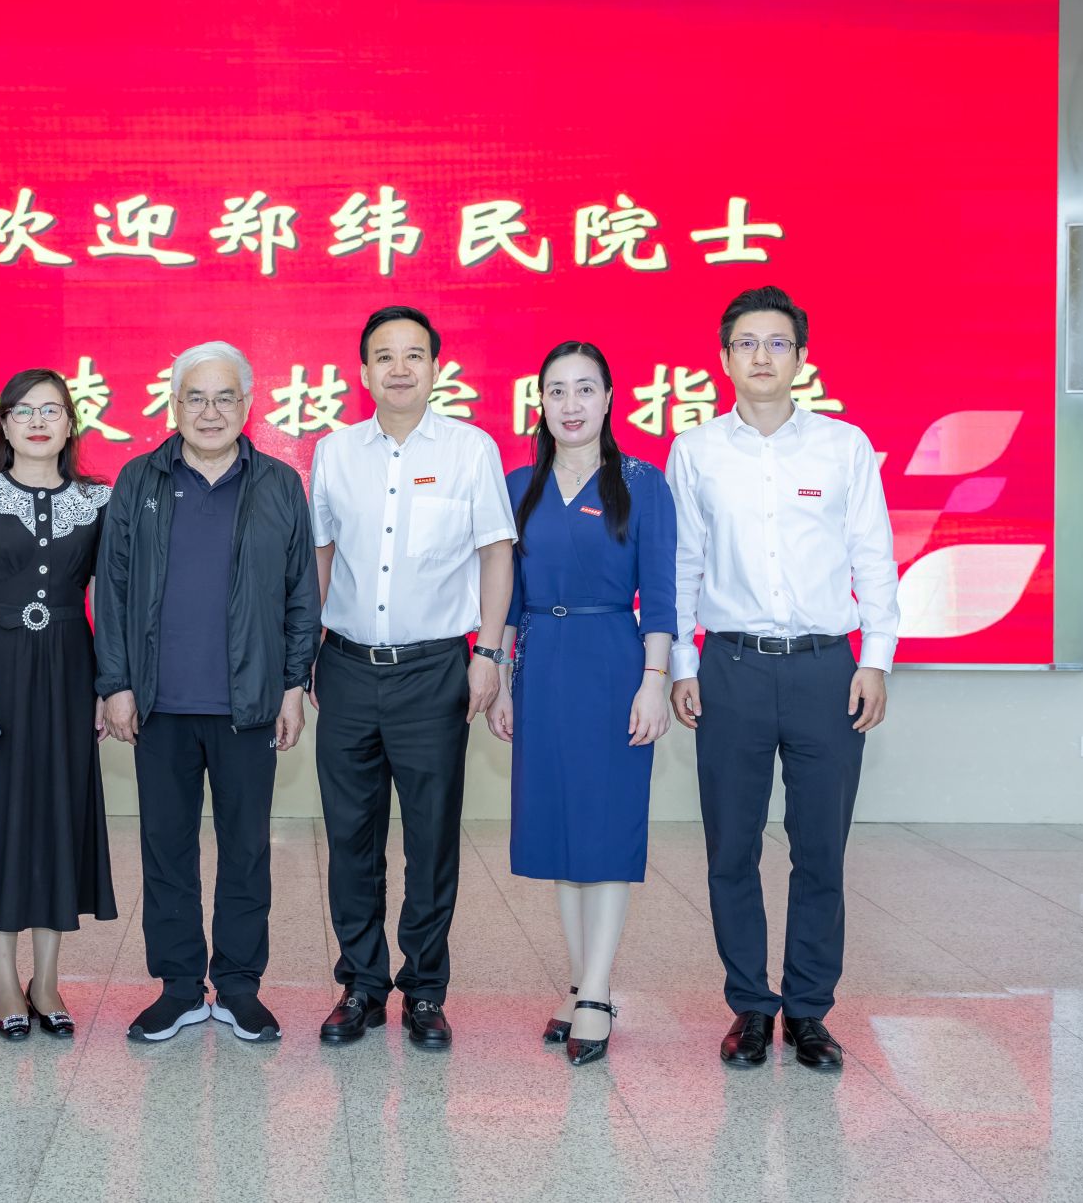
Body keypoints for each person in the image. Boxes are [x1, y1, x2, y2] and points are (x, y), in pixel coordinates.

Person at [666, 286, 900, 1072]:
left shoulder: (843, 446)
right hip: (729, 668)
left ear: (800, 356)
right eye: (746, 343)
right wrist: (684, 665)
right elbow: (683, 566)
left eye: (776, 342)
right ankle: (750, 1007)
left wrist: (876, 658)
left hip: (827, 670)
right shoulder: (697, 451)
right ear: (723, 357)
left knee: (820, 849)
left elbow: (873, 557)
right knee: (731, 846)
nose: (761, 356)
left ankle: (807, 1010)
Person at [96, 341, 320, 1044]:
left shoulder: (278, 484)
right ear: (174, 405)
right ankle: (179, 987)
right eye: (196, 397)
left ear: (247, 405)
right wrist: (116, 683)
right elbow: (112, 587)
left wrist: (293, 684)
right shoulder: (139, 479)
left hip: (248, 704)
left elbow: (301, 595)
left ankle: (240, 986)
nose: (211, 411)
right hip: (159, 703)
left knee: (246, 849)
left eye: (225, 397)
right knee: (166, 849)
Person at [308, 305, 517, 1051]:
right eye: (384, 356)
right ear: (363, 372)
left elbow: (496, 553)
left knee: (430, 838)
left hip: (434, 671)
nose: (399, 368)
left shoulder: (470, 449)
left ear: (435, 367)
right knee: (350, 836)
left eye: (414, 355)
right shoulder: (334, 452)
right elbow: (321, 556)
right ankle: (362, 985)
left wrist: (489, 654)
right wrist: (303, 656)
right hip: (346, 665)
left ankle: (425, 989)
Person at [484, 341, 677, 1066]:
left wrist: (654, 680)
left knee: (607, 829)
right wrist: (501, 676)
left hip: (613, 664)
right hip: (541, 664)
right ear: (540, 402)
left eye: (585, 388)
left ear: (609, 398)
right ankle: (579, 981)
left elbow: (661, 594)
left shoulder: (642, 483)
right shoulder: (518, 486)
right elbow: (505, 594)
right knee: (560, 834)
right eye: (557, 390)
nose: (571, 404)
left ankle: (597, 990)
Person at [0, 369, 117, 1039]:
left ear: (71, 424)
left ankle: (46, 979)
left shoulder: (99, 500)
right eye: (23, 411)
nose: (38, 422)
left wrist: (106, 685)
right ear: (3, 425)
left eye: (52, 410)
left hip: (70, 670)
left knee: (57, 818)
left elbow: (110, 600)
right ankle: (4, 981)